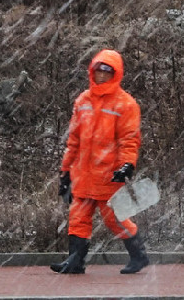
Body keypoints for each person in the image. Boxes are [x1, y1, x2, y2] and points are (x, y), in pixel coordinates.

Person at [50, 49, 149, 275]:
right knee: (77, 220)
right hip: (82, 174)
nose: (102, 75)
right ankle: (75, 262)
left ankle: (139, 256)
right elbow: (73, 140)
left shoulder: (125, 104)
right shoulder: (82, 101)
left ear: (116, 73)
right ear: (91, 71)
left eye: (107, 70)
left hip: (108, 175)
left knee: (115, 219)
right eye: (98, 70)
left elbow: (129, 140)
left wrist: (127, 165)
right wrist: (65, 172)